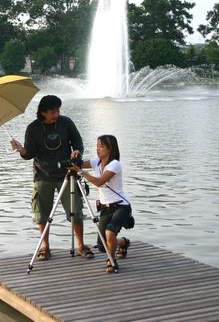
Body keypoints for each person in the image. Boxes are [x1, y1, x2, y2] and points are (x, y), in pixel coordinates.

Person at [10, 95, 94, 261]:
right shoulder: (33, 128)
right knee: (42, 213)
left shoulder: (66, 122)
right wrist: (21, 150)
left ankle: (80, 245)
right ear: (43, 112)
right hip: (43, 175)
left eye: (58, 110)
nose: (57, 114)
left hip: (67, 173)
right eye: (53, 111)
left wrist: (77, 151)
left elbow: (78, 141)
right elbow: (30, 154)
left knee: (76, 211)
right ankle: (45, 246)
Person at [70, 135, 131, 273]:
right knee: (103, 246)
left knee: (109, 232)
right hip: (105, 207)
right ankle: (123, 242)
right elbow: (78, 163)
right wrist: (73, 158)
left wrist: (80, 172)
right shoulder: (96, 162)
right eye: (97, 146)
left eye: (101, 146)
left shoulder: (115, 164)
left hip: (121, 205)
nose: (98, 149)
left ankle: (112, 260)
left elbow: (99, 182)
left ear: (110, 149)